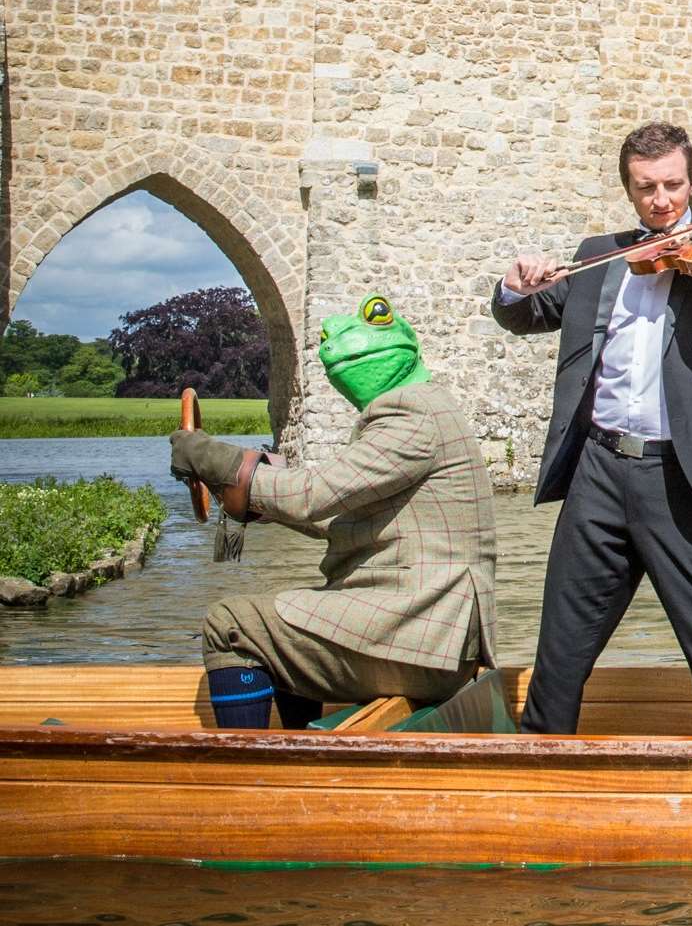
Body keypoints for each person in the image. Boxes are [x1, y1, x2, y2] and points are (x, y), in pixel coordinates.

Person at [493, 122, 692, 736]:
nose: (662, 200)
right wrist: (513, 287)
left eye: (673, 185)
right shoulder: (603, 256)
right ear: (629, 188)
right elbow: (526, 314)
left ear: (691, 182)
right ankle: (536, 778)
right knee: (560, 652)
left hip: (686, 479)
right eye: (646, 187)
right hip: (598, 472)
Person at [169, 296, 497, 729]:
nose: (331, 345)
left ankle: (243, 772)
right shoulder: (426, 409)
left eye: (376, 318)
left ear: (409, 344)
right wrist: (259, 498)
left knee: (229, 624)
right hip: (436, 638)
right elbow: (344, 513)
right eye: (326, 339)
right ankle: (302, 754)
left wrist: (217, 461)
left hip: (421, 635)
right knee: (284, 617)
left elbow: (313, 494)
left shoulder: (411, 412)